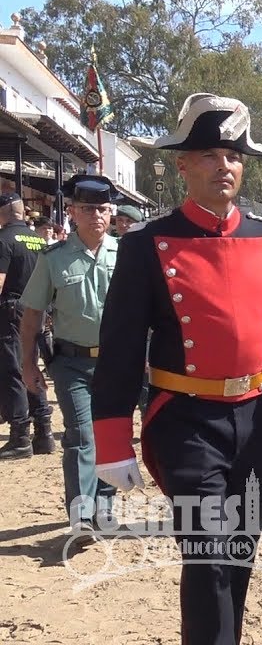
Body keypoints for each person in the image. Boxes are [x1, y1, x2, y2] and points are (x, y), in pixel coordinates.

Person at [90, 93, 262, 644]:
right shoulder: (146, 244)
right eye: (209, 154)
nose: (223, 166)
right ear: (182, 164)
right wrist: (112, 438)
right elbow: (119, 347)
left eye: (233, 155)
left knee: (239, 550)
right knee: (208, 551)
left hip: (256, 418)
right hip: (183, 419)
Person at [18, 177, 120, 534]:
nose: (96, 215)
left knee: (112, 435)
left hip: (116, 362)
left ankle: (105, 506)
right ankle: (81, 512)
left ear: (112, 212)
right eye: (88, 209)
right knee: (81, 434)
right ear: (73, 213)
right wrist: (27, 362)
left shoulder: (123, 256)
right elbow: (31, 315)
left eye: (103, 208)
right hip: (71, 363)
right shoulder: (53, 259)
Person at [0, 192, 53, 459]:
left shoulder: (4, 240)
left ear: (5, 212)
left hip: (10, 312)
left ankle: (20, 436)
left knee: (12, 371)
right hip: (36, 310)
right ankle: (44, 432)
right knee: (31, 366)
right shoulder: (38, 241)